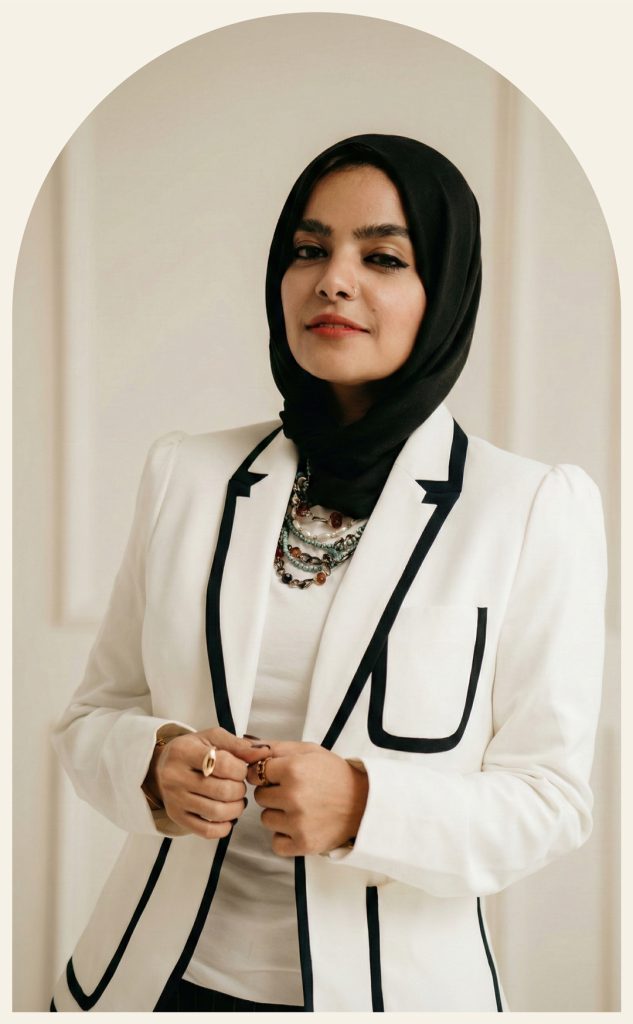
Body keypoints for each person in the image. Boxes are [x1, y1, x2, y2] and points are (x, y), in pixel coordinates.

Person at [50, 134, 607, 1013]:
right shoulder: (186, 474)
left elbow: (549, 801)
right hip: (146, 984)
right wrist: (151, 763)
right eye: (308, 250)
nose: (332, 281)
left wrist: (363, 805)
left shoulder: (531, 507)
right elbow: (94, 714)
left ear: (444, 290)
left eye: (381, 257)